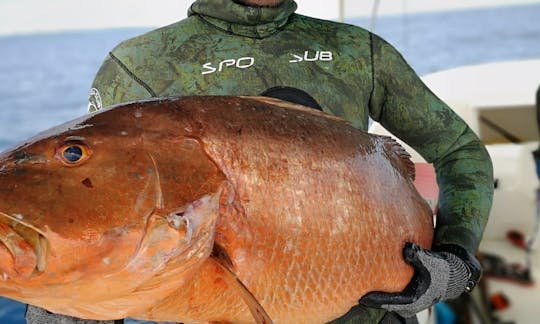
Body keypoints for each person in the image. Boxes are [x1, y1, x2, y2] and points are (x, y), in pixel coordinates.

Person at [27, 0, 493, 323]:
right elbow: (99, 203)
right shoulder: (139, 65)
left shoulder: (359, 51)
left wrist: (454, 259)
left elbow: (460, 151)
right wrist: (63, 309)